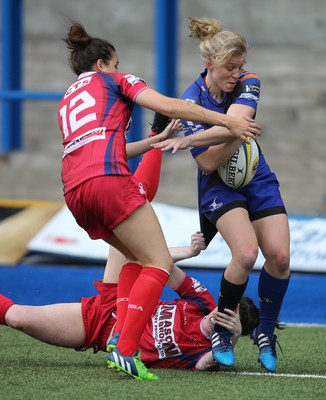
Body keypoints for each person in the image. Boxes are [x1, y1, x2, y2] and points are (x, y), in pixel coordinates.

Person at [57, 21, 261, 380]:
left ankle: (121, 333)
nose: (119, 69)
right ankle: (125, 349)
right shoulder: (115, 80)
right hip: (106, 181)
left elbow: (110, 146)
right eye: (116, 63)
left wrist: (156, 140)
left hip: (74, 189)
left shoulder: (69, 99)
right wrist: (228, 124)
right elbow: (171, 105)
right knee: (159, 261)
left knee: (137, 256)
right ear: (103, 63)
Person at [152, 17, 291, 373]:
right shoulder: (190, 98)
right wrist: (228, 129)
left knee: (279, 256)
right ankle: (222, 332)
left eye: (240, 66)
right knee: (245, 254)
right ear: (208, 64)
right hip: (218, 183)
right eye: (230, 67)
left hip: (255, 174)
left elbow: (239, 120)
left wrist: (194, 137)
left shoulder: (250, 80)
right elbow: (212, 161)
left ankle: (263, 331)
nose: (237, 73)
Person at [0, 232, 259, 373]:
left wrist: (231, 338)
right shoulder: (201, 300)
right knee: (123, 229)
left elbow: (211, 363)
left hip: (101, 329)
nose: (217, 315)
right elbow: (162, 265)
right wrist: (188, 252)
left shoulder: (204, 351)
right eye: (223, 308)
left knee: (16, 318)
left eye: (227, 319)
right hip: (118, 297)